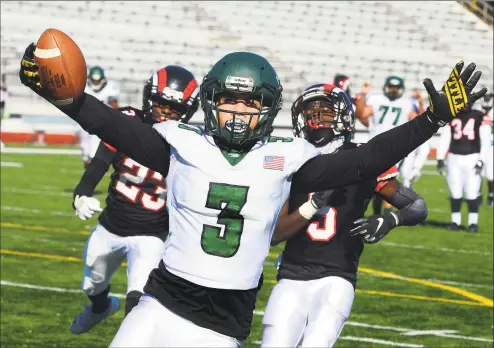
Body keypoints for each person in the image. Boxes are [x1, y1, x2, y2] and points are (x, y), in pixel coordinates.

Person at [20, 43, 485, 346]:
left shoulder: (289, 157)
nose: (239, 112)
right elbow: (108, 123)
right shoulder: (182, 143)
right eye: (230, 99)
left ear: (268, 108)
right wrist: (60, 95)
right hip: (162, 298)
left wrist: (431, 120)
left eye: (251, 102)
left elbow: (362, 162)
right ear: (210, 100)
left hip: (224, 317)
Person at [262, 84, 428, 347]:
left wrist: (390, 219)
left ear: (342, 115)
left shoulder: (361, 158)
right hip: (291, 275)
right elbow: (275, 234)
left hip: (336, 277)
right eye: (310, 111)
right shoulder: (293, 160)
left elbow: (418, 207)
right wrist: (313, 205)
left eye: (324, 110)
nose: (316, 117)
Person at [69, 66, 199, 335]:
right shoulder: (129, 121)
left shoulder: (191, 141)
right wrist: (81, 193)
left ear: (188, 110)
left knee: (138, 300)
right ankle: (99, 307)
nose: (164, 112)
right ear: (148, 98)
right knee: (93, 284)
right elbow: (101, 160)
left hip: (151, 235)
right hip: (111, 225)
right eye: (160, 104)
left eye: (173, 108)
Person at [355, 76, 424, 215]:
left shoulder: (406, 103)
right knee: (373, 182)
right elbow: (361, 114)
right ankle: (376, 213)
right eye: (391, 87)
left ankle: (386, 214)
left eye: (396, 88)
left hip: (395, 148)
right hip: (375, 146)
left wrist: (421, 103)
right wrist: (362, 95)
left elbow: (420, 122)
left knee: (388, 181)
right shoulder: (376, 99)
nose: (393, 90)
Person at [436, 98, 491, 232]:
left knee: (472, 192)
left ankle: (473, 223)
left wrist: (481, 160)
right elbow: (445, 138)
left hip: (473, 157)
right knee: (455, 191)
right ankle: (455, 222)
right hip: (454, 157)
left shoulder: (479, 116)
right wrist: (440, 158)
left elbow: (485, 141)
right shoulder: (453, 115)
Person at [78, 65, 120, 169]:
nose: (95, 82)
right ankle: (87, 159)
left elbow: (114, 104)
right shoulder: (84, 87)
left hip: (102, 120)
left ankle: (92, 161)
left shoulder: (110, 88)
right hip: (85, 119)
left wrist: (116, 117)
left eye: (97, 80)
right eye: (94, 80)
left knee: (97, 141)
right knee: (84, 143)